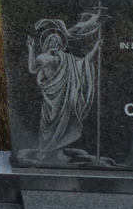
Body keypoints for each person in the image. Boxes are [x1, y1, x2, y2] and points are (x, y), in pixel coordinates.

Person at [26, 22, 102, 158]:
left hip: (65, 95)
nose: (54, 43)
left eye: (57, 41)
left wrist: (96, 47)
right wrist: (31, 48)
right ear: (47, 43)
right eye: (51, 41)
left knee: (64, 123)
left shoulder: (68, 58)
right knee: (48, 123)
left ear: (61, 44)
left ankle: (59, 151)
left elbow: (85, 62)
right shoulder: (42, 57)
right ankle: (44, 150)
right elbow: (32, 69)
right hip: (50, 95)